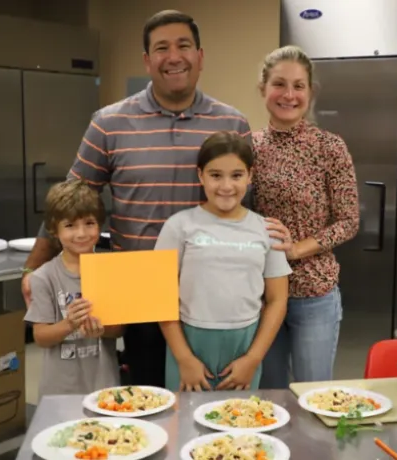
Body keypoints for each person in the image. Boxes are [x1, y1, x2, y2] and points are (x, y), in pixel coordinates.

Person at [19, 10, 274, 388]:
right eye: (161, 48)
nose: (174, 57)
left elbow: (243, 203)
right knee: (152, 392)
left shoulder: (231, 123)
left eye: (183, 46)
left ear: (200, 57)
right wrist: (33, 266)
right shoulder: (109, 122)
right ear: (147, 60)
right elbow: (69, 200)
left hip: (210, 284)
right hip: (136, 281)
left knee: (216, 395)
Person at [252, 45, 360, 389]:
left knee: (312, 394)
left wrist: (297, 250)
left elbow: (348, 220)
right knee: (269, 395)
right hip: (261, 293)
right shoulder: (247, 146)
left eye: (299, 86)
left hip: (314, 292)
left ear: (310, 92)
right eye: (279, 84)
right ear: (263, 89)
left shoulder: (329, 147)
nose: (289, 94)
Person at [155, 131, 291, 391]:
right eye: (216, 175)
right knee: (186, 424)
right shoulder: (179, 226)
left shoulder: (266, 229)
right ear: (200, 175)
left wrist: (253, 359)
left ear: (250, 176)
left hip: (245, 346)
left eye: (236, 175)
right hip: (188, 344)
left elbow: (277, 300)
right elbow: (161, 299)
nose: (226, 186)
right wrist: (184, 358)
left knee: (238, 425)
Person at [23, 180, 124, 399]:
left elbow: (119, 330)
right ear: (54, 230)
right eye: (70, 225)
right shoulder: (43, 277)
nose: (81, 233)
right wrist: (69, 324)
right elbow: (40, 336)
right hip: (60, 391)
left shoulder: (110, 271)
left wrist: (102, 329)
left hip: (104, 386)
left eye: (89, 223)